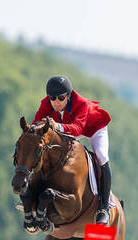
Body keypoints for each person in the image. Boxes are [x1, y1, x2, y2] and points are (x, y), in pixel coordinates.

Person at [32, 75, 112, 225]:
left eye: (61, 98)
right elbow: (37, 122)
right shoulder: (46, 103)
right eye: (52, 98)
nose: (56, 102)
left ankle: (104, 208)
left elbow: (77, 129)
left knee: (101, 157)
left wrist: (57, 126)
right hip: (67, 128)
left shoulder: (80, 103)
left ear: (68, 96)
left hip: (94, 128)